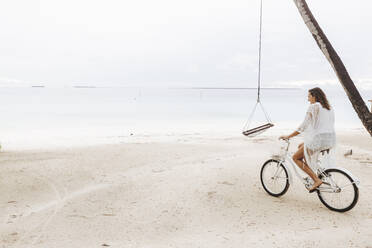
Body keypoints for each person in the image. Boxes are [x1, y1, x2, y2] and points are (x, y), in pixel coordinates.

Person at [279, 87, 336, 193]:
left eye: (309, 96)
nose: (308, 99)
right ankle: (312, 172)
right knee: (301, 146)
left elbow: (303, 126)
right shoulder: (328, 107)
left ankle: (316, 179)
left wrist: (288, 136)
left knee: (295, 157)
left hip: (319, 139)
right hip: (330, 139)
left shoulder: (313, 107)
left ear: (314, 96)